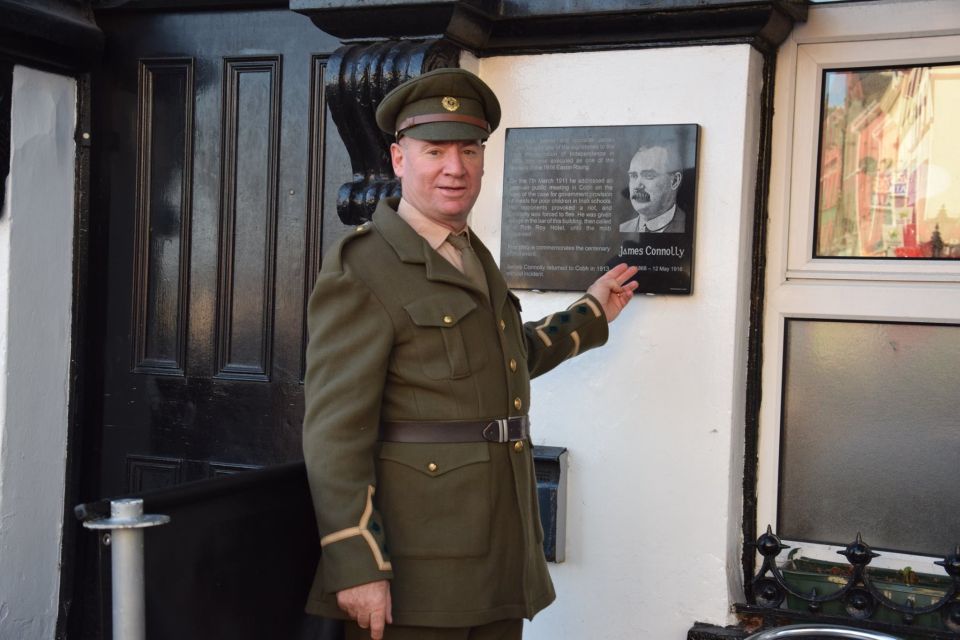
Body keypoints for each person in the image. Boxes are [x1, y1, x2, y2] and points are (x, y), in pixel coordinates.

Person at [302, 67, 639, 640]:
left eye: (469, 150)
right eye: (434, 150)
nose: (454, 168)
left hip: (498, 550)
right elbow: (335, 433)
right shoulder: (363, 268)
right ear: (399, 159)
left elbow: (504, 360)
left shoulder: (468, 253)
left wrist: (590, 314)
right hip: (418, 568)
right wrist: (357, 564)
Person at [619, 142, 686, 233]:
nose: (637, 186)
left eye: (648, 175)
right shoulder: (622, 229)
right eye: (634, 176)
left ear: (674, 181)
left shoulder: (687, 227)